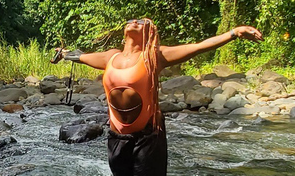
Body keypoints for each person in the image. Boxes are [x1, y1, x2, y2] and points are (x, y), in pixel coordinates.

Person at [52, 19, 263, 176]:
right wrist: (63, 53)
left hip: (148, 136)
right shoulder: (111, 57)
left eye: (143, 22)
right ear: (124, 32)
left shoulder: (155, 56)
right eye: (132, 20)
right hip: (117, 137)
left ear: (150, 33)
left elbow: (198, 47)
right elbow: (80, 56)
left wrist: (234, 33)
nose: (136, 21)